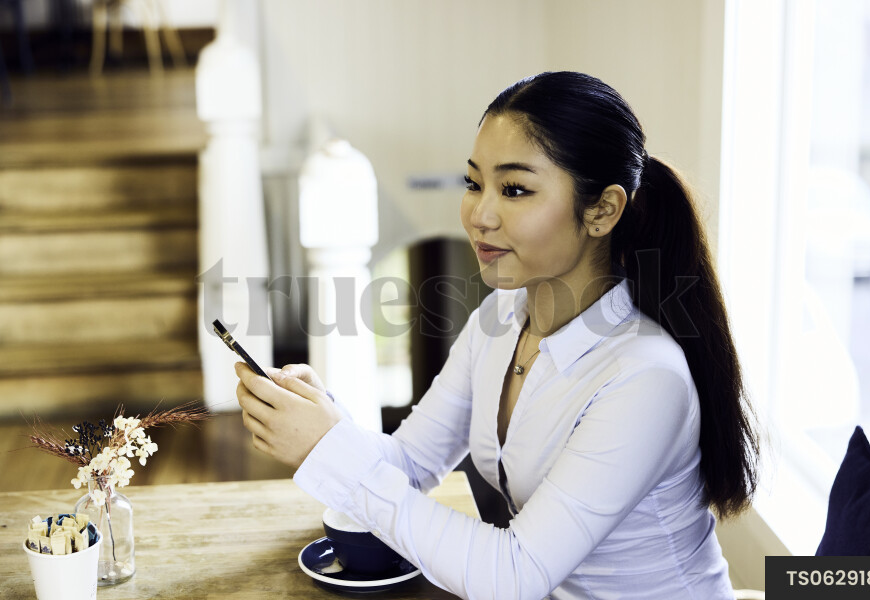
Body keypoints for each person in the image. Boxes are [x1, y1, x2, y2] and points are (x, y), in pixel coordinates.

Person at [235, 71, 760, 599]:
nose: (479, 214)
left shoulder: (645, 378)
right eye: (473, 182)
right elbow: (411, 464)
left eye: (514, 189)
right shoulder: (500, 319)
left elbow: (512, 576)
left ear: (602, 210)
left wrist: (331, 448)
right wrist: (325, 420)